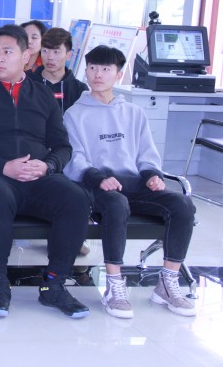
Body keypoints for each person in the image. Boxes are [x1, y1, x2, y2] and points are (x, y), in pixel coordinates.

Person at [0, 24, 92, 319]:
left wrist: (47, 166)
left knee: (76, 198)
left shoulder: (43, 95)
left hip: (37, 178)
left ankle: (54, 284)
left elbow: (62, 147)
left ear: (26, 56)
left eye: (7, 52)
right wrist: (4, 166)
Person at [63, 45, 197, 319]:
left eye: (105, 69)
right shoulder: (74, 114)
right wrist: (98, 177)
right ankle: (115, 285)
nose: (97, 74)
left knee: (182, 205)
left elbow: (147, 154)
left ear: (118, 75)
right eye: (92, 68)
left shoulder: (134, 113)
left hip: (134, 184)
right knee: (116, 204)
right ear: (86, 71)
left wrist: (152, 176)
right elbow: (74, 158)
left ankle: (167, 283)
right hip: (96, 186)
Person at [27, 26, 91, 257]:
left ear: (68, 54)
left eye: (56, 52)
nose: (50, 57)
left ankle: (72, 234)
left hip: (70, 150)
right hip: (36, 149)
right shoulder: (28, 83)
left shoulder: (80, 89)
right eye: (45, 51)